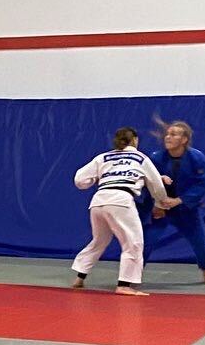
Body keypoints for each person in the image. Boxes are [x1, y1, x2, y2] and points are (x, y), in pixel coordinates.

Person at [73, 126, 176, 295]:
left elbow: (80, 179)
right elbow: (156, 183)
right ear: (134, 140)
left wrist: (97, 178)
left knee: (99, 240)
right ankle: (124, 285)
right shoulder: (139, 157)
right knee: (133, 243)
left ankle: (79, 278)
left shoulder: (104, 157)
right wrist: (161, 204)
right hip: (121, 201)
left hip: (98, 201)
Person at [149, 120, 205, 285]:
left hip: (186, 209)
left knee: (201, 245)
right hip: (161, 207)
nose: (168, 137)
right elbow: (149, 183)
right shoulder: (156, 158)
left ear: (184, 140)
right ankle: (129, 278)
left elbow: (200, 185)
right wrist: (157, 205)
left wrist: (179, 201)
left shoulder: (197, 158)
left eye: (173, 134)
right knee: (144, 241)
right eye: (167, 134)